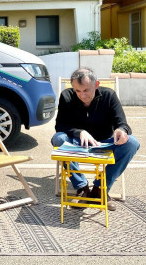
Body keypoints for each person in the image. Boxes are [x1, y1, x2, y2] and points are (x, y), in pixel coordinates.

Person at [51, 67, 140, 211]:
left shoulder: (109, 95)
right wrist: (79, 132)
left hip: (103, 143)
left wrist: (121, 131)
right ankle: (82, 188)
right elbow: (60, 126)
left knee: (132, 143)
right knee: (59, 139)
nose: (82, 95)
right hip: (77, 144)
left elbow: (123, 124)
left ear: (96, 85)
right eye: (77, 91)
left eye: (86, 90)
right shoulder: (66, 96)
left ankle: (100, 188)